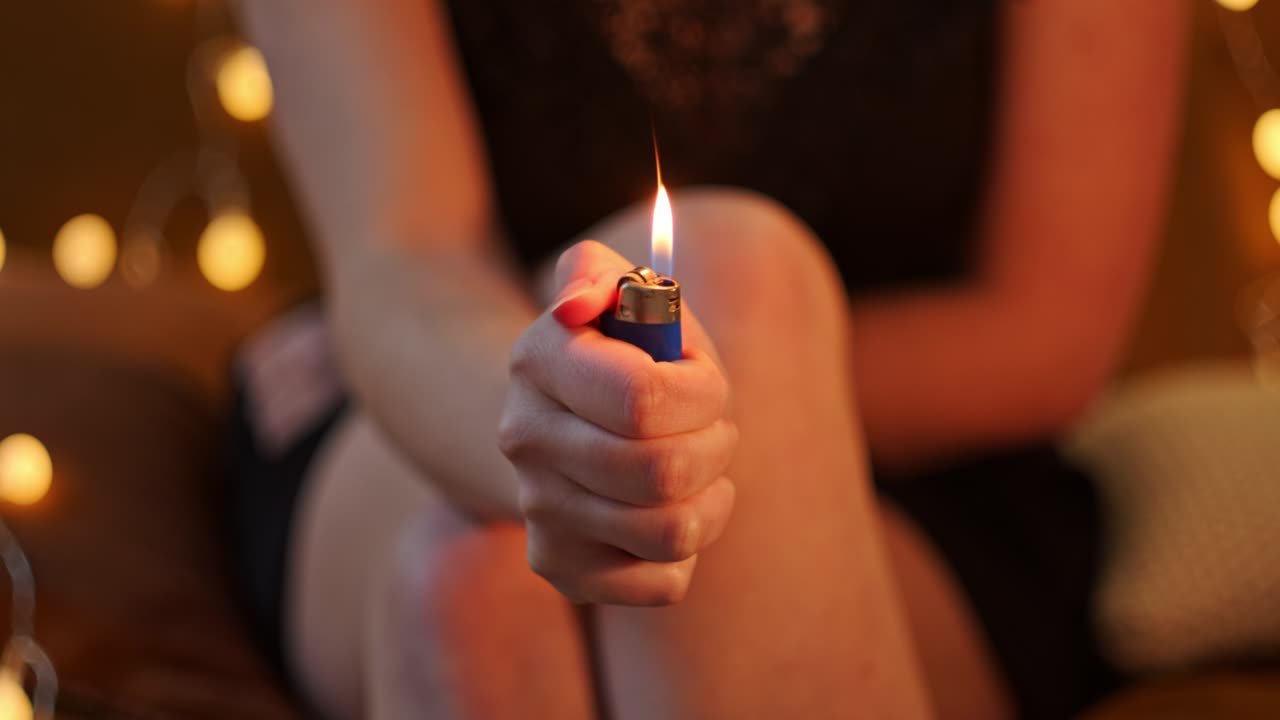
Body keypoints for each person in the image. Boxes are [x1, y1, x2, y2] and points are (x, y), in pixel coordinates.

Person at [227, 2, 1188, 718]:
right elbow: (408, 255)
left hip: (907, 467)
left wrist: (721, 390)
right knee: (470, 584)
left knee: (729, 289)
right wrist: (564, 428)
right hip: (446, 384)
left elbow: (1040, 338)